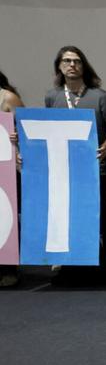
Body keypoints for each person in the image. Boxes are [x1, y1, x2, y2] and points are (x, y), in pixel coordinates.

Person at [41, 46, 106, 285]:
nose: (72, 65)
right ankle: (79, 266)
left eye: (77, 61)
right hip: (65, 169)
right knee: (71, 217)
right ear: (59, 66)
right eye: (67, 61)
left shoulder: (101, 96)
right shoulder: (52, 97)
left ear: (84, 66)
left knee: (104, 219)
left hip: (95, 169)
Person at [1, 69, 24, 287]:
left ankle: (8, 268)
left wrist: (17, 133)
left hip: (4, 168)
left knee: (5, 216)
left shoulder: (6, 97)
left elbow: (25, 126)